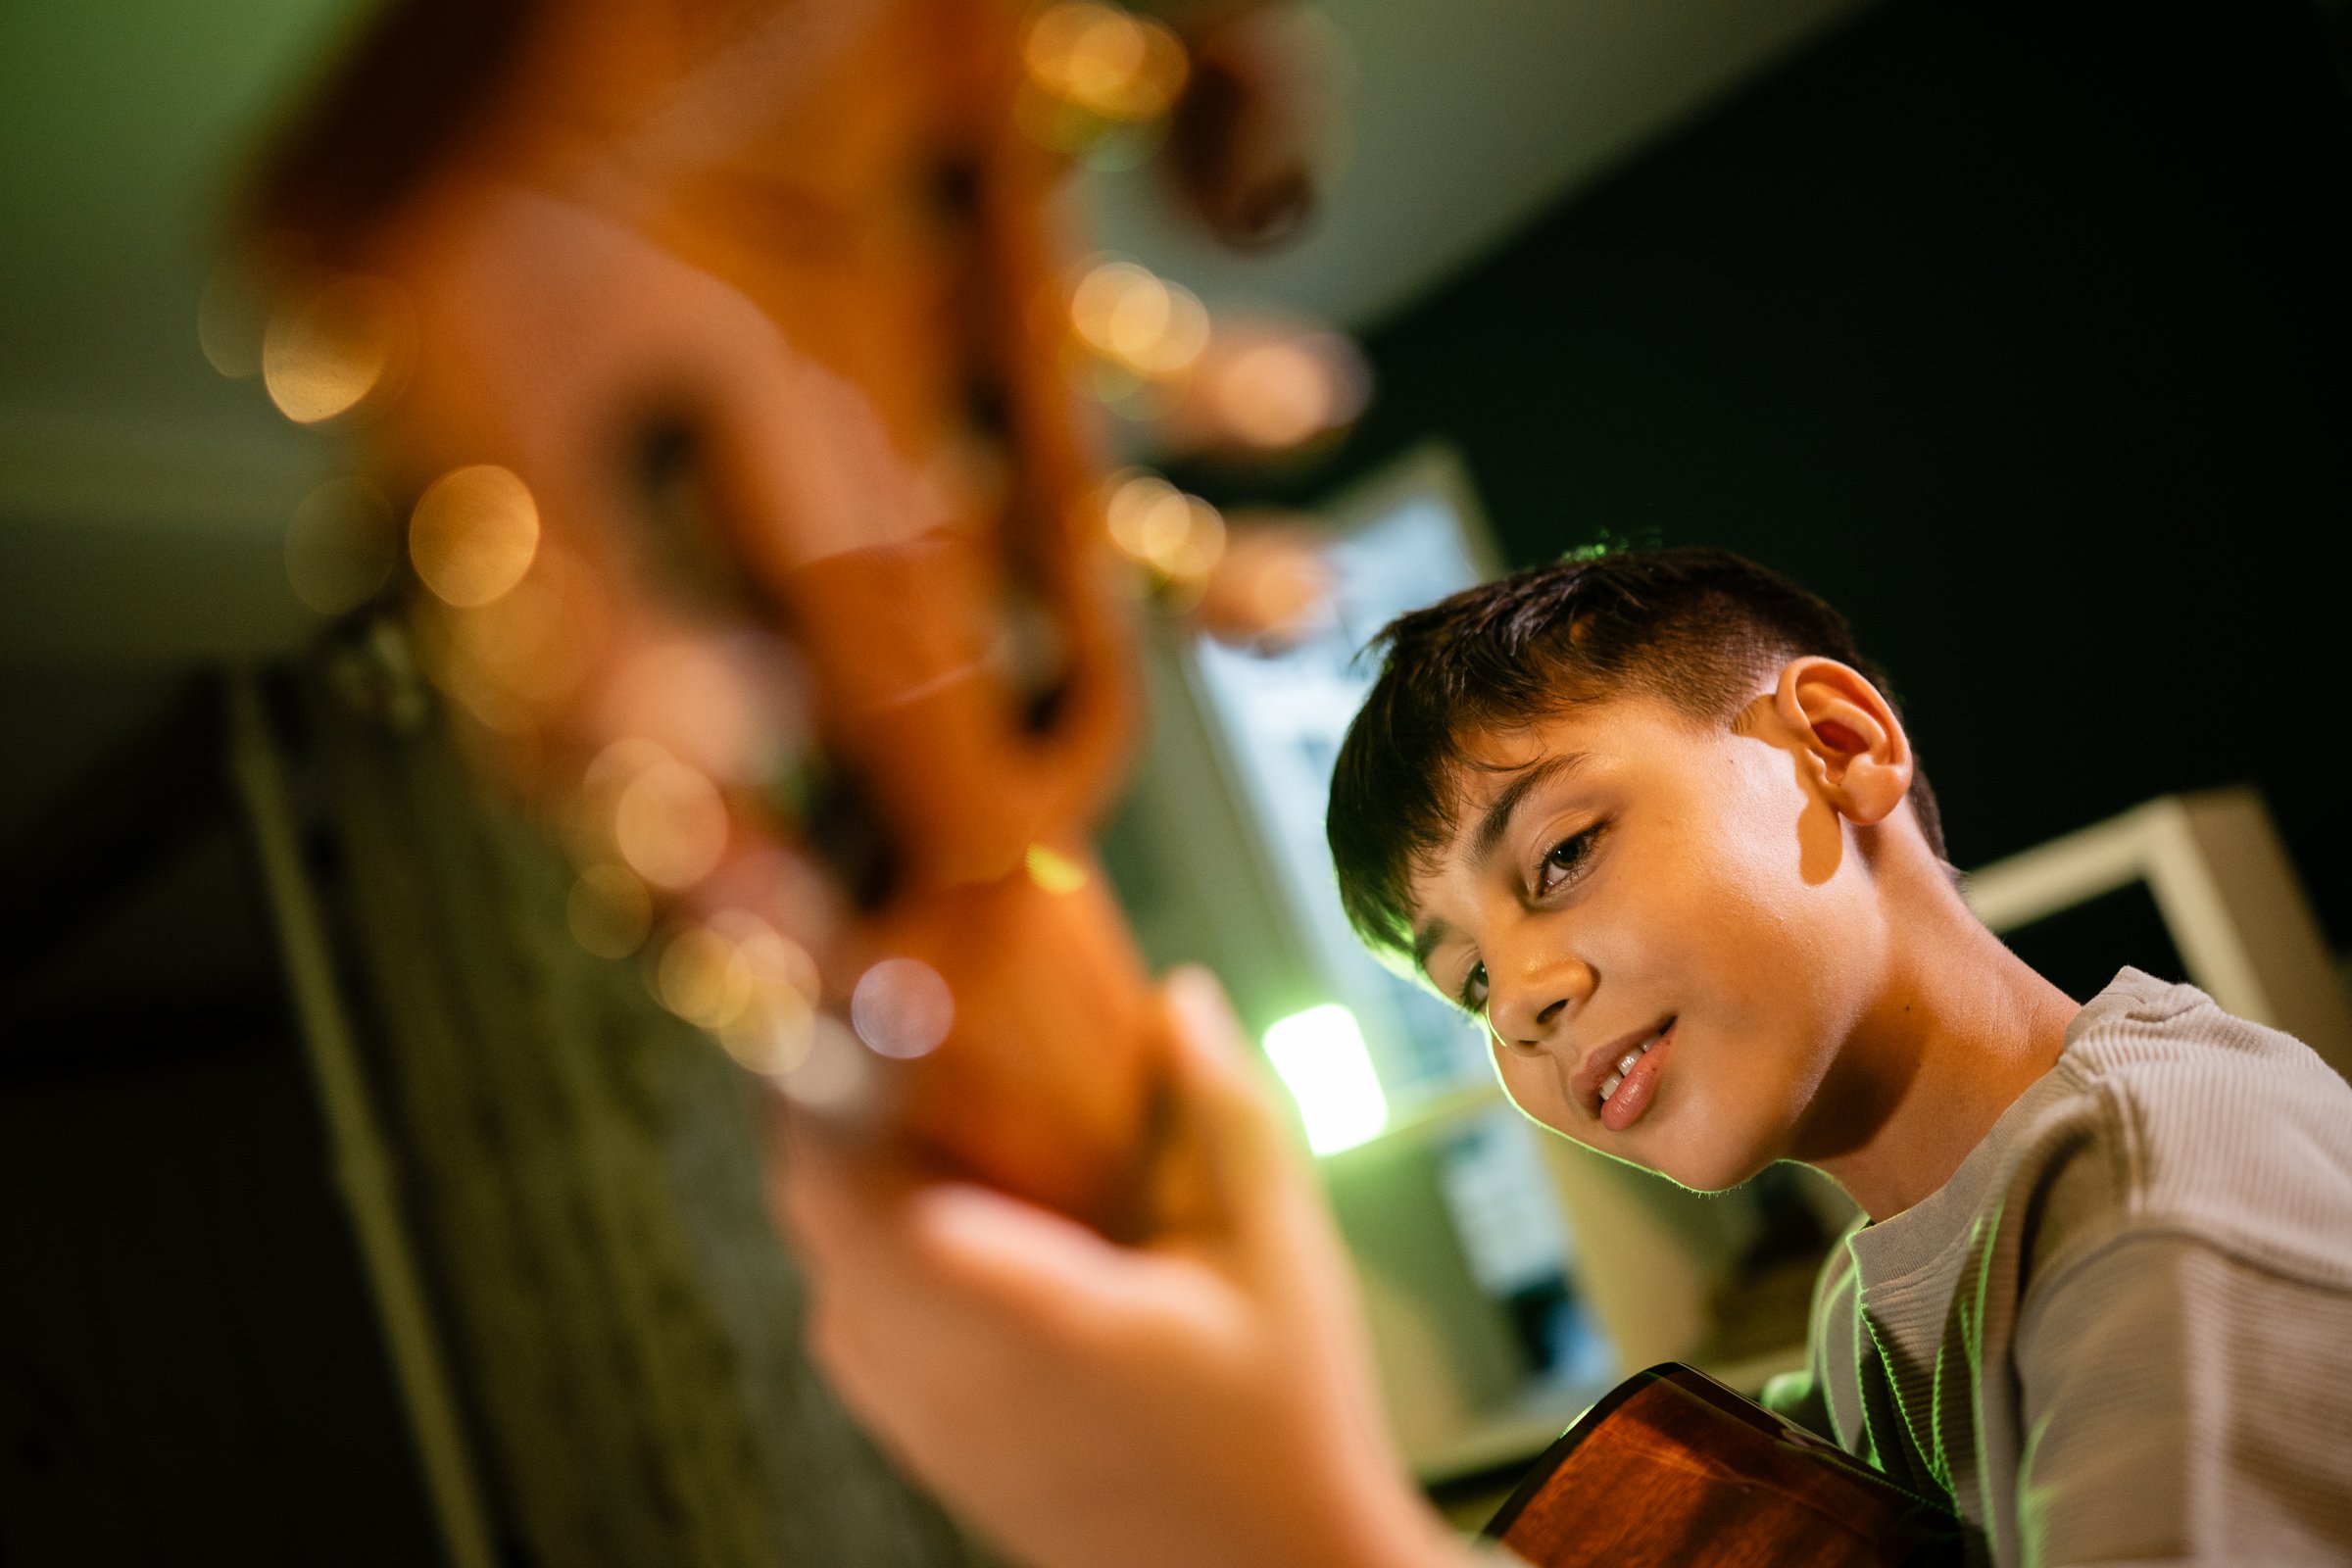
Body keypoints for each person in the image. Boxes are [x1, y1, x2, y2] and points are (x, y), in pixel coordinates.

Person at [780, 547, 2352, 1567]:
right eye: (1464, 983)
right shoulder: (1874, 1307)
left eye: (1560, 855)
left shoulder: (2166, 1207)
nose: (1521, 998)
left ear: (1840, 748)